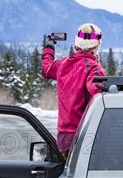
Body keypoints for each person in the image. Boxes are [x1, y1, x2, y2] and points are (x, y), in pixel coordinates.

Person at [42, 23, 105, 159]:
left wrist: (49, 47)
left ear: (76, 44)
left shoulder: (62, 64)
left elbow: (46, 69)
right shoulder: (93, 68)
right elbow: (98, 91)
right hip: (83, 135)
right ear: (96, 45)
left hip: (63, 138)